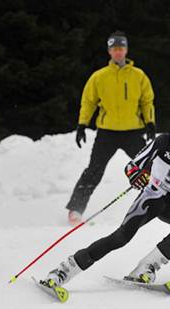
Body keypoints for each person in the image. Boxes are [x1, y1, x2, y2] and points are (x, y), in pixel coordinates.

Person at [41, 95, 170, 289]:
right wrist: (135, 175)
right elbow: (132, 166)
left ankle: (147, 267)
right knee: (120, 238)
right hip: (152, 198)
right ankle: (64, 271)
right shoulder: (165, 141)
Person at [66, 30, 156, 225]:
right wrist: (82, 124)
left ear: (126, 50)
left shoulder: (138, 76)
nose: (118, 52)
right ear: (109, 51)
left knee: (150, 166)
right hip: (107, 133)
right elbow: (88, 102)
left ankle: (162, 205)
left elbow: (147, 101)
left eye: (121, 48)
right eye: (114, 48)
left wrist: (150, 123)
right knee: (94, 170)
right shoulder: (99, 77)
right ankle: (75, 210)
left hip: (133, 131)